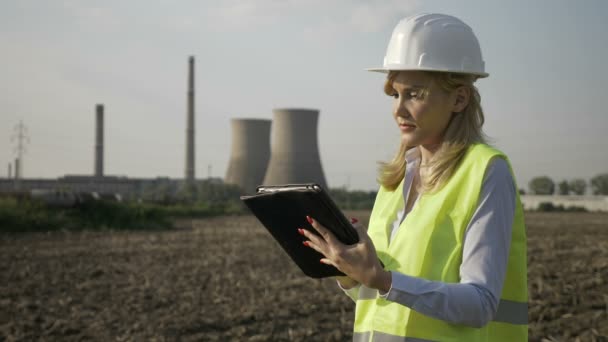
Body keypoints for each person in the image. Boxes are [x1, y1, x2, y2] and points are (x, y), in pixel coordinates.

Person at [298, 13, 528, 341]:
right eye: (395, 94)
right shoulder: (395, 179)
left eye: (415, 94)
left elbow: (480, 304)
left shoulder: (487, 171)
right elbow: (381, 300)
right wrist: (351, 274)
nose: (398, 109)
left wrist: (383, 280)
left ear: (459, 99)